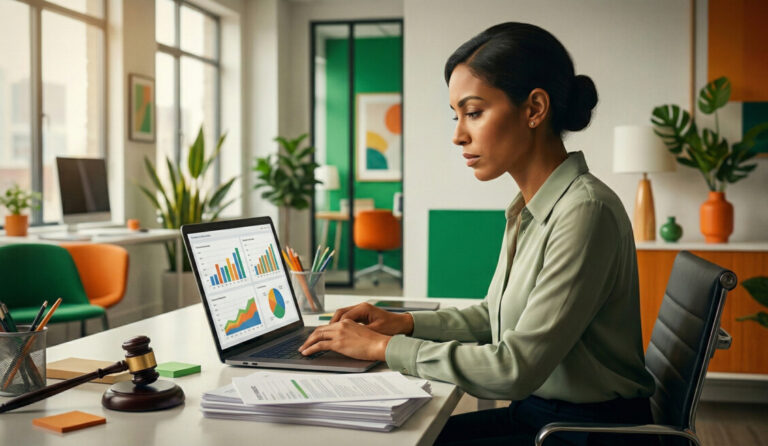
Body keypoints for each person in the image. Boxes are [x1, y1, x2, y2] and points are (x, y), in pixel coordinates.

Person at [300, 22, 656, 445]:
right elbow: (492, 318)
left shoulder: (585, 212)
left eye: (473, 112)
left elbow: (514, 368)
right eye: (457, 115)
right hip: (543, 416)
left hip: (583, 432)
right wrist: (403, 323)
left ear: (534, 109)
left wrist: (380, 349)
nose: (458, 134)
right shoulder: (532, 206)